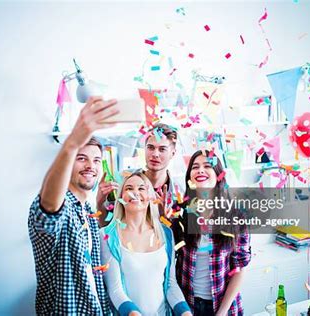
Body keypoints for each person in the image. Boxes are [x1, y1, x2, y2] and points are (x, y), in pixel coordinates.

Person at [28, 96, 119, 315]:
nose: (91, 166)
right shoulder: (61, 206)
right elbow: (48, 210)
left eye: (96, 160)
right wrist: (71, 145)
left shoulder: (86, 210)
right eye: (82, 158)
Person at [100, 171, 192, 316]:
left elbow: (170, 284)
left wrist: (185, 312)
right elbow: (115, 289)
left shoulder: (166, 233)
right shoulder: (107, 235)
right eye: (129, 188)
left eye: (142, 188)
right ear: (121, 197)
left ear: (150, 197)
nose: (135, 193)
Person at [172, 150, 251, 316]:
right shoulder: (180, 212)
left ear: (219, 175)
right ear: (190, 177)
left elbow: (240, 268)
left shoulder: (237, 215)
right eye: (195, 167)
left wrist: (221, 312)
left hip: (224, 307)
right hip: (187, 306)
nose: (200, 170)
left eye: (207, 166)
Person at [97, 123, 181, 226]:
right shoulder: (123, 181)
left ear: (173, 153)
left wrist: (164, 219)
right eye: (150, 147)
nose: (155, 154)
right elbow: (107, 226)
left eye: (162, 149)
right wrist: (99, 203)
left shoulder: (180, 193)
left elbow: (182, 238)